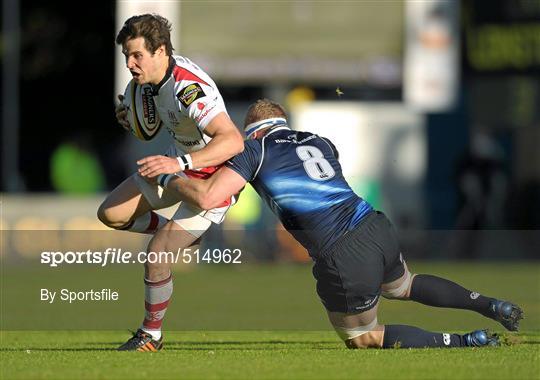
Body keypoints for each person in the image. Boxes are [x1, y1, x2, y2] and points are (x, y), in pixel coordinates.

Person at [140, 99, 523, 349]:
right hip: (374, 226)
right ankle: (491, 304)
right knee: (405, 284)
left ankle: (464, 342)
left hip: (341, 250)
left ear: (250, 130)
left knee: (364, 337)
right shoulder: (318, 140)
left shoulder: (253, 149)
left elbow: (208, 197)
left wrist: (168, 177)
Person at [97, 14, 244, 351]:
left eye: (137, 56)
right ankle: (184, 237)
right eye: (126, 57)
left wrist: (179, 163)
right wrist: (131, 121)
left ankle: (151, 335)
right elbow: (150, 123)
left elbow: (233, 141)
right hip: (178, 162)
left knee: (158, 252)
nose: (131, 65)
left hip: (212, 176)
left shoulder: (187, 88)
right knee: (111, 213)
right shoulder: (147, 83)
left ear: (160, 50)